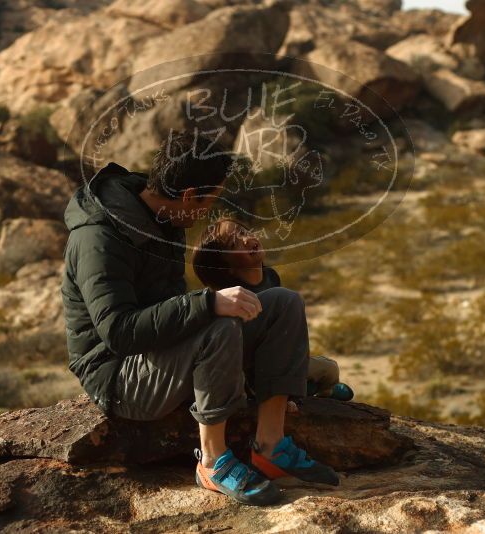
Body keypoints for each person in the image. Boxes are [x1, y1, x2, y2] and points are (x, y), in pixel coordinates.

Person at [61, 130, 339, 507]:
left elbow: (171, 311)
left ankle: (271, 446)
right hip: (118, 377)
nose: (208, 212)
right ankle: (212, 462)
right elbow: (118, 332)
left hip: (160, 356)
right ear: (190, 196)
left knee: (282, 303)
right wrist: (206, 305)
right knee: (218, 323)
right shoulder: (99, 239)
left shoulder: (161, 220)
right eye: (211, 201)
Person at [191, 217, 354, 414]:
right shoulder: (233, 297)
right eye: (234, 244)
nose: (245, 240)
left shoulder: (271, 277)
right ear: (227, 267)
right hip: (255, 376)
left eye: (243, 232)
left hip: (282, 363)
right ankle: (297, 391)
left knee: (330, 369)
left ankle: (321, 390)